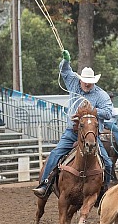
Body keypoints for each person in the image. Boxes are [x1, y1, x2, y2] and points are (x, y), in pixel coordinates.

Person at [33, 50, 113, 198]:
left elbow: (109, 112)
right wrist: (66, 60)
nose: (87, 84)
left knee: (107, 162)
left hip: (91, 135)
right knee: (55, 154)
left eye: (90, 82)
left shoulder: (101, 95)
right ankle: (45, 184)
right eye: (85, 81)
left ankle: (103, 191)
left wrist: (94, 111)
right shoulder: (73, 84)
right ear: (80, 79)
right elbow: (64, 71)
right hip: (73, 132)